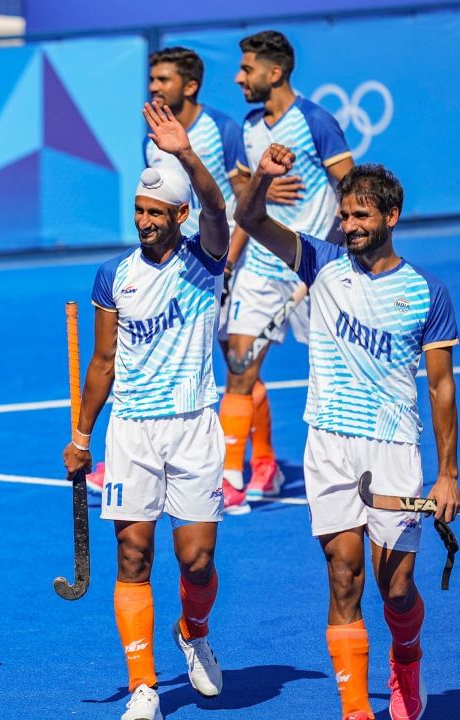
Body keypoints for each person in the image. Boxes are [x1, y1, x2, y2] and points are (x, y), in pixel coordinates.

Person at [237, 150, 458, 720]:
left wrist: (448, 473)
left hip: (394, 449)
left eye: (362, 215)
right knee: (343, 576)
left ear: (391, 216)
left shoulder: (428, 293)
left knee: (397, 589)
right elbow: (250, 219)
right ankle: (355, 709)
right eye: (344, 215)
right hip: (331, 444)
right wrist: (262, 177)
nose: (350, 225)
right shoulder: (321, 262)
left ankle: (406, 659)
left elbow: (440, 388)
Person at [64, 101, 232, 720]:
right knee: (133, 557)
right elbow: (103, 362)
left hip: (193, 426)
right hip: (132, 430)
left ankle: (193, 631)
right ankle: (144, 687)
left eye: (155, 213)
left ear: (178, 215)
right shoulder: (113, 275)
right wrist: (83, 436)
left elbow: (217, 209)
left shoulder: (204, 260)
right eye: (138, 211)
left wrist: (185, 152)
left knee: (198, 560)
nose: (144, 221)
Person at [88, 47, 251, 502]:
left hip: (211, 256)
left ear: (190, 85)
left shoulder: (221, 129)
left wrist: (229, 258)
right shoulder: (152, 139)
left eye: (163, 79)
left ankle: (246, 464)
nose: (154, 87)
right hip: (165, 260)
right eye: (152, 79)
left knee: (237, 360)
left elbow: (234, 203)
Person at [222, 30, 353, 511]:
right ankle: (230, 478)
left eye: (247, 69)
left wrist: (327, 259)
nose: (238, 78)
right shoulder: (249, 126)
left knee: (336, 380)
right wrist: (262, 187)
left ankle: (345, 473)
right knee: (239, 371)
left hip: (315, 275)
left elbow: (353, 195)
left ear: (274, 72)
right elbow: (243, 201)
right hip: (259, 269)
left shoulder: (316, 122)